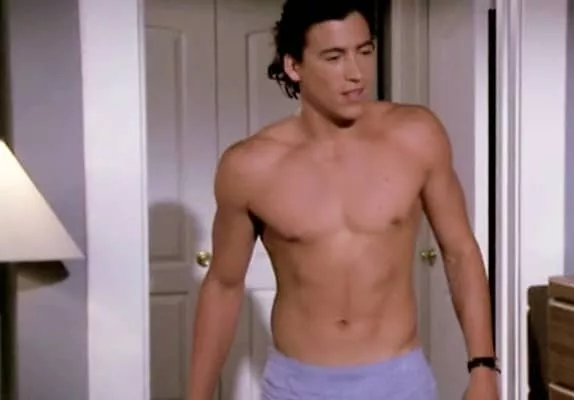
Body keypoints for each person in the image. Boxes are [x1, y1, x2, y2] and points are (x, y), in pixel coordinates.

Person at [188, 1, 499, 399]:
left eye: (364, 51)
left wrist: (483, 367)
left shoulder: (417, 135)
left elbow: (460, 252)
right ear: (294, 66)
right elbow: (223, 285)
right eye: (334, 57)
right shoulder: (250, 167)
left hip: (400, 381)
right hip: (298, 386)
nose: (356, 73)